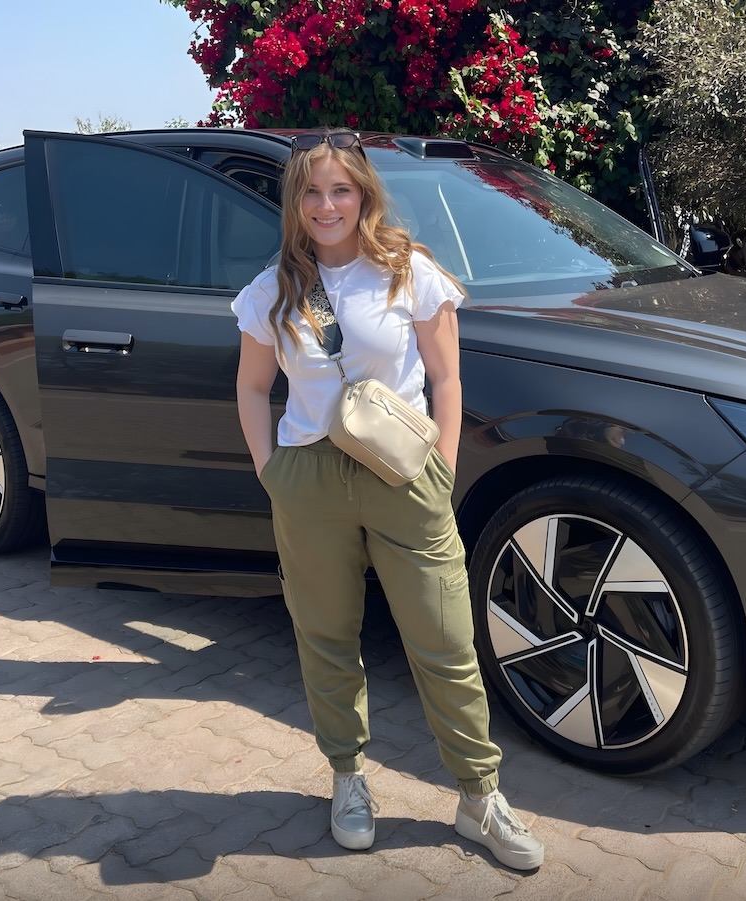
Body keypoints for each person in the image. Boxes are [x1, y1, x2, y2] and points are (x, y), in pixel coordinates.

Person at [232, 128, 544, 871]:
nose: (326, 204)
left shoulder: (409, 272)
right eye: (311, 190)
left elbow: (447, 380)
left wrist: (441, 465)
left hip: (403, 476)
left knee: (445, 639)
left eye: (340, 188)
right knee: (327, 638)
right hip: (308, 478)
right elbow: (250, 386)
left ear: (363, 194)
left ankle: (479, 796)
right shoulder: (273, 288)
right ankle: (348, 780)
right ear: (295, 200)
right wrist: (270, 469)